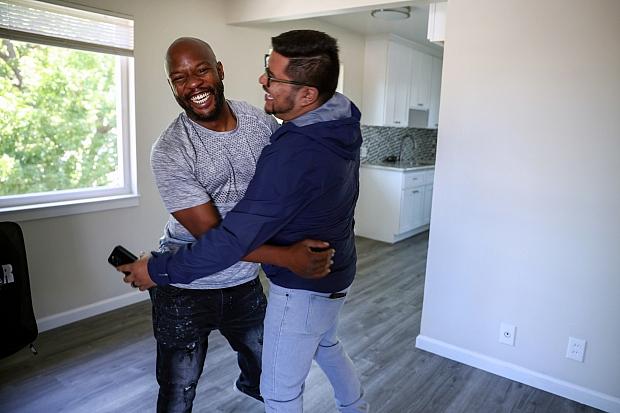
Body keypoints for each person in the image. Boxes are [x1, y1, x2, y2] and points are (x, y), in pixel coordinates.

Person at [121, 30, 368, 412]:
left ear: (219, 71)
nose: (193, 84)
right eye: (180, 78)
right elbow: (215, 236)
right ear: (171, 85)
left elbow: (291, 193)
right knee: (179, 387)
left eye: (201, 71)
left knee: (267, 379)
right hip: (186, 287)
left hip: (244, 283)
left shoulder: (265, 126)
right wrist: (286, 257)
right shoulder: (170, 150)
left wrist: (154, 269)